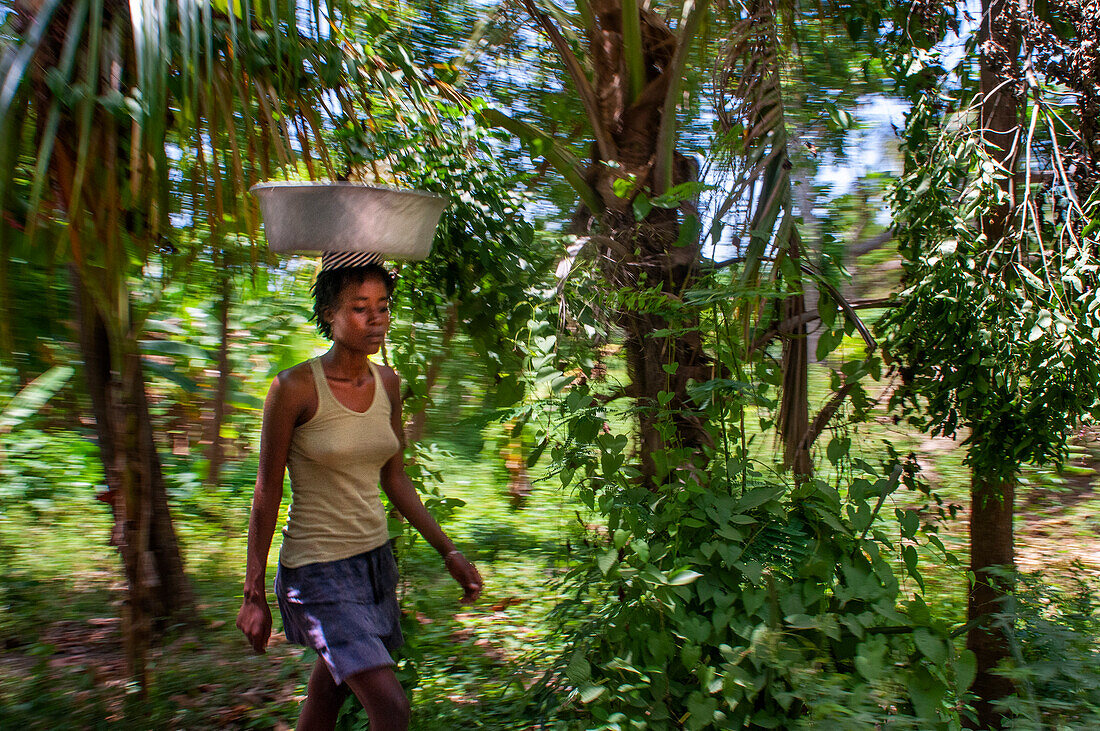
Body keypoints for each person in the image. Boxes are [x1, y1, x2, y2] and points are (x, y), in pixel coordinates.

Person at [236, 259, 483, 731]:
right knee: (391, 708)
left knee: (329, 689)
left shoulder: (388, 384)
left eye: (383, 307)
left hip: (373, 563)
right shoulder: (293, 388)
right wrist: (252, 592)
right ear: (329, 313)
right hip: (316, 569)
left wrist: (448, 550)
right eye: (360, 308)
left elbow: (396, 478)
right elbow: (266, 491)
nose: (376, 319)